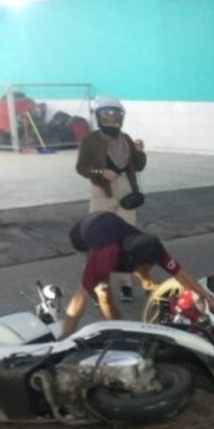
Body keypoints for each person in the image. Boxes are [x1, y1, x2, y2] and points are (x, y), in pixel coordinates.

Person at [61, 212, 214, 338]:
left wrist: (207, 297)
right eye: (144, 267)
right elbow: (80, 296)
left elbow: (180, 273)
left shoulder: (153, 246)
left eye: (150, 266)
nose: (148, 267)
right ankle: (118, 330)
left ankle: (147, 283)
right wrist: (66, 335)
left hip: (110, 227)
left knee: (145, 271)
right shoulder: (105, 257)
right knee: (104, 295)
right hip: (85, 240)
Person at [76, 95, 146, 303]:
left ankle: (126, 284)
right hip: (102, 191)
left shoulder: (125, 139)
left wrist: (140, 152)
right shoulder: (91, 139)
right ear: (98, 118)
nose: (111, 120)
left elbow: (138, 166)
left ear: (120, 118)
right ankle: (99, 286)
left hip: (126, 190)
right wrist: (100, 172)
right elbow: (81, 167)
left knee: (126, 240)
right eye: (106, 116)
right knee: (98, 239)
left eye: (114, 116)